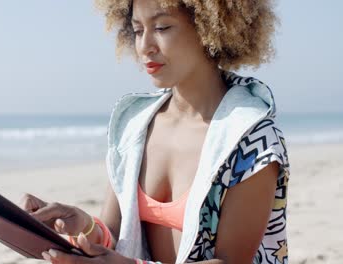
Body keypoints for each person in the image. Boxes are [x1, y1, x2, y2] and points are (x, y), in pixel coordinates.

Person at [20, 0, 290, 263]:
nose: (144, 46)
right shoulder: (134, 125)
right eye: (138, 31)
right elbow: (116, 236)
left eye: (161, 28)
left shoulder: (253, 138)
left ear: (210, 27)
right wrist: (82, 225)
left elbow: (231, 261)